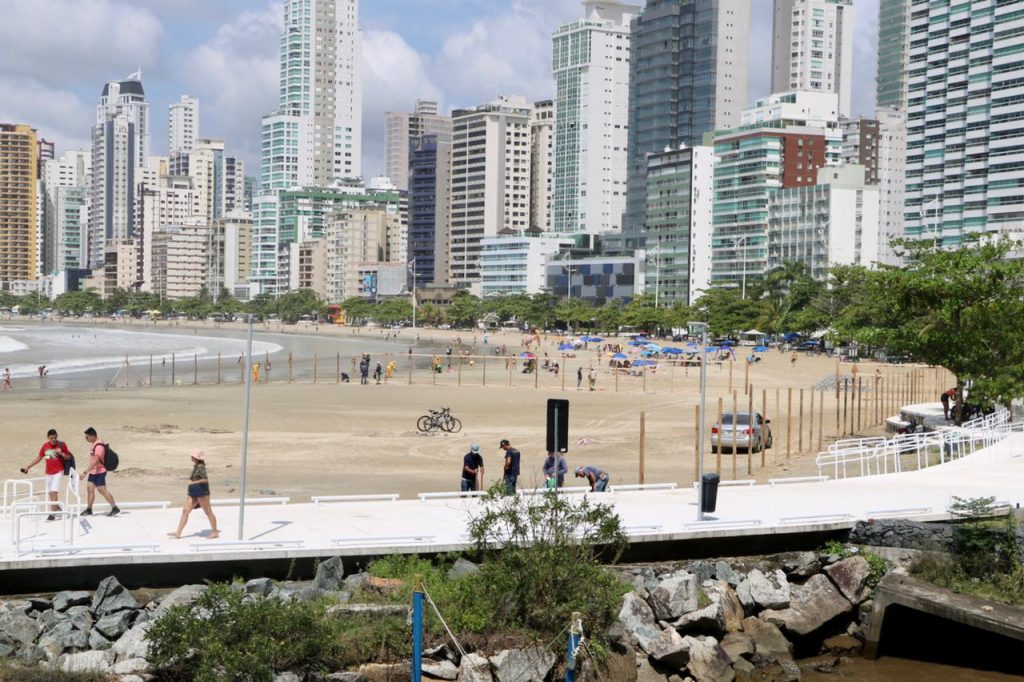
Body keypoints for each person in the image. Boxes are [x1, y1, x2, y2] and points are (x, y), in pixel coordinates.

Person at [20, 429, 73, 520]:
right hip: (48, 472)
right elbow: (39, 458)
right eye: (51, 438)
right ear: (48, 438)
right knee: (50, 493)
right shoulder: (45, 446)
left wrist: (61, 453)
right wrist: (28, 466)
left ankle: (52, 514)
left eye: (55, 437)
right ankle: (57, 508)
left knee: (54, 492)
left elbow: (68, 457)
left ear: (57, 436)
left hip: (59, 471)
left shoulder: (62, 445)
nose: (53, 439)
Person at [167, 450, 219, 539]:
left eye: (193, 456)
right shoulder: (196, 466)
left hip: (201, 492)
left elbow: (205, 480)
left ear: (196, 458)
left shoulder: (201, 467)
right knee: (185, 511)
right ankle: (178, 532)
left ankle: (214, 532)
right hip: (194, 492)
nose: (191, 457)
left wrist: (194, 482)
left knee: (208, 512)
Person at [80, 427, 120, 517]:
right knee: (90, 489)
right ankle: (89, 509)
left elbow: (96, 461)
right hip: (93, 471)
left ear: (93, 436)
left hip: (100, 472)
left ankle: (114, 507)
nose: (86, 439)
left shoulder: (99, 446)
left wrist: (85, 473)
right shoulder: (94, 443)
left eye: (87, 437)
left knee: (102, 490)